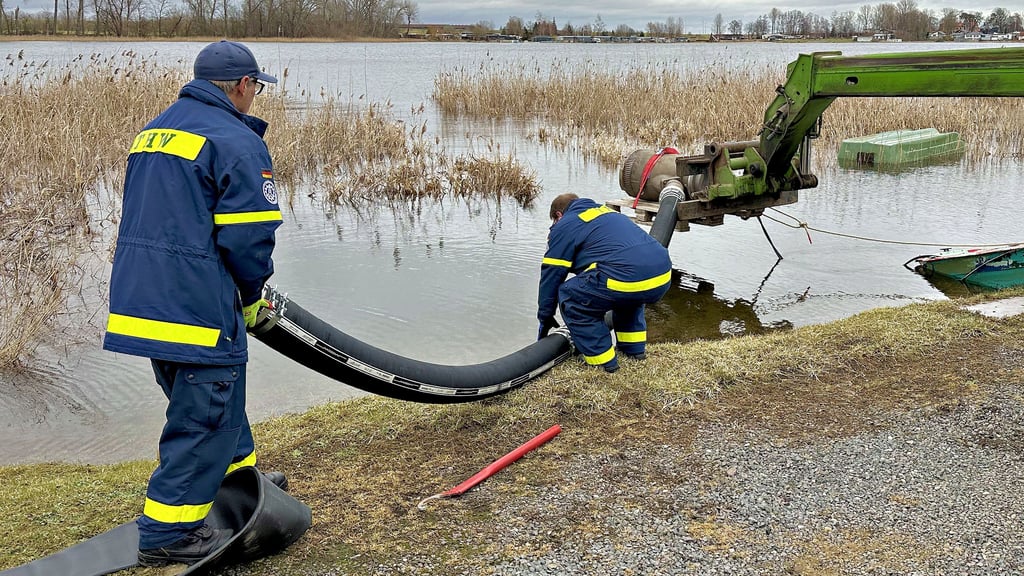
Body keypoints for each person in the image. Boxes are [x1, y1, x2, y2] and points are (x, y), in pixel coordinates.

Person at [103, 40, 285, 567]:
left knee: (209, 401)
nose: (255, 97)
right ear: (244, 86)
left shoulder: (154, 131)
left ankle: (237, 481)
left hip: (144, 299)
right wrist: (252, 298)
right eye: (256, 88)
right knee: (204, 416)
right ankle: (169, 533)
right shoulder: (236, 140)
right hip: (197, 305)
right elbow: (249, 238)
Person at [537, 193, 672, 373]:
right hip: (662, 274)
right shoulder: (607, 214)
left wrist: (545, 316)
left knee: (571, 296)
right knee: (627, 297)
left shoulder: (566, 224)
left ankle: (602, 362)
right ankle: (634, 351)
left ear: (558, 215)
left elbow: (551, 275)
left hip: (627, 276)